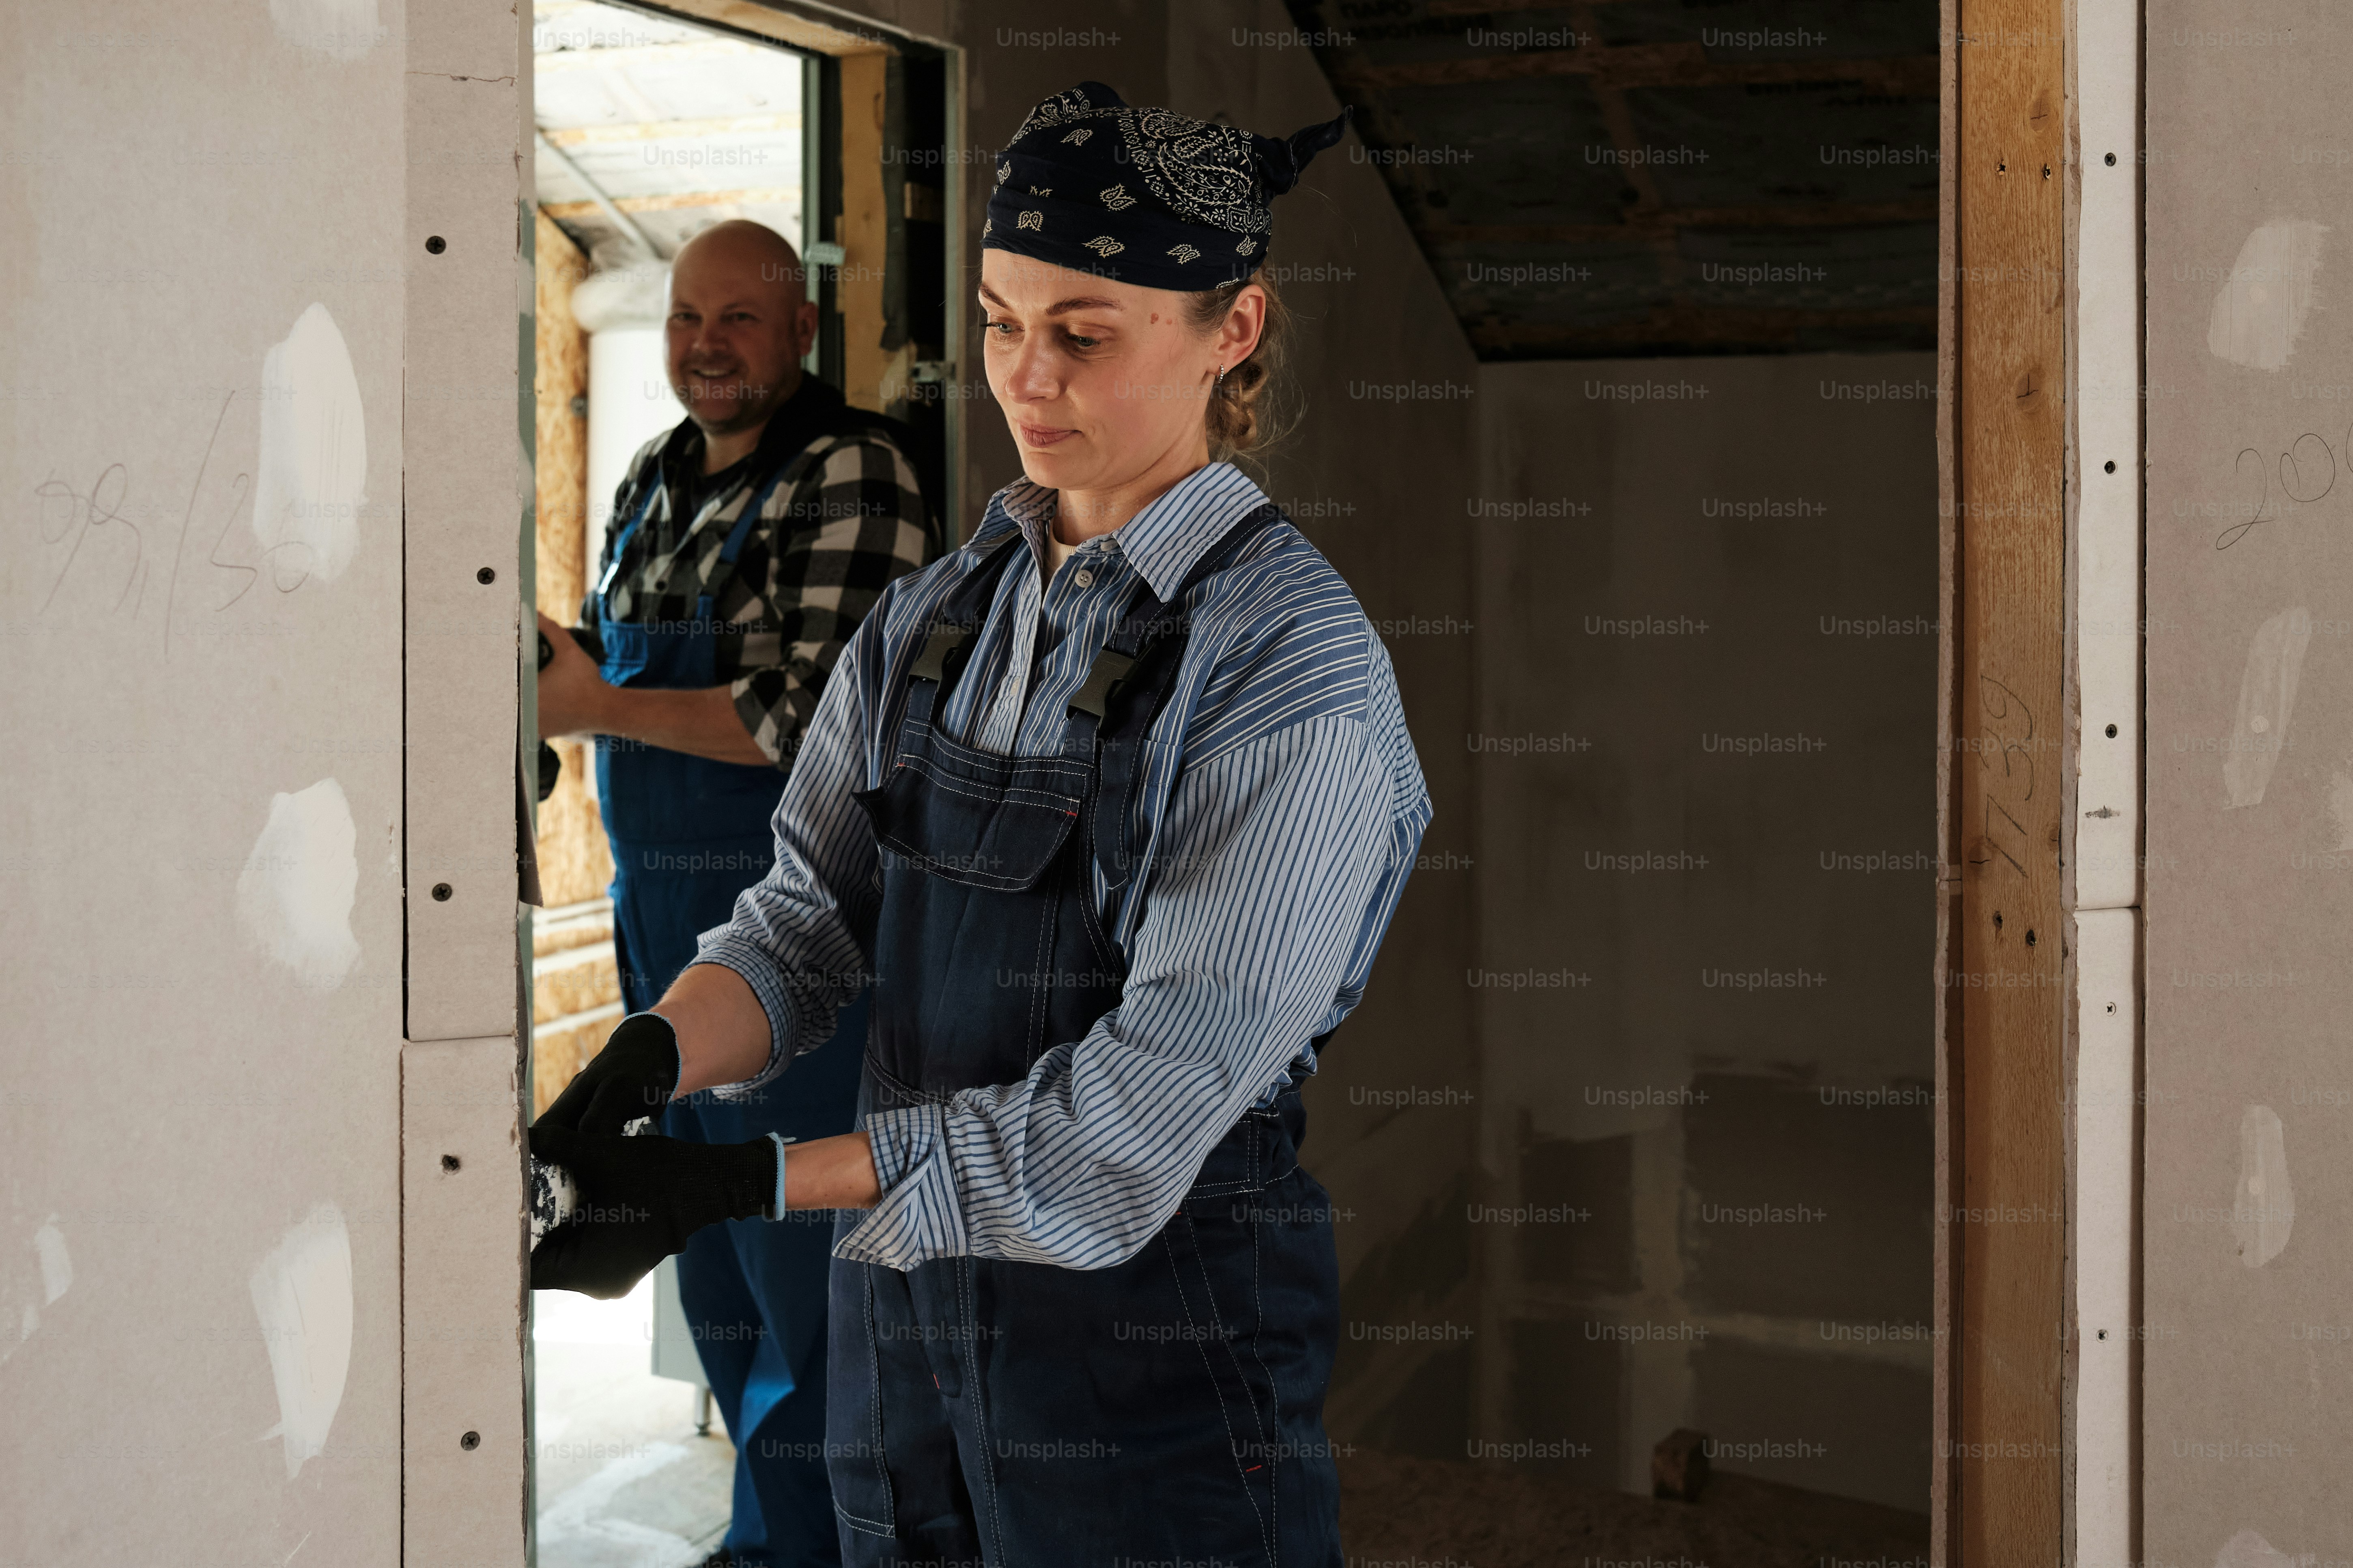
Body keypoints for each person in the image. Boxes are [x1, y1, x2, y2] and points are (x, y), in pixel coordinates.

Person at [531, 82, 1428, 1564]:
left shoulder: (1289, 671)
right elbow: (806, 927)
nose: (1028, 377)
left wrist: (749, 1180)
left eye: (1085, 334)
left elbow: (1130, 1128)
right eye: (1003, 321)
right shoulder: (937, 618)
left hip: (1152, 1379)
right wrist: (651, 1053)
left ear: (1234, 331)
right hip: (910, 1353)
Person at [534, 217, 934, 1568]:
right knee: (700, 1251)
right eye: (689, 319)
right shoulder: (654, 472)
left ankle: (810, 1551)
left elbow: (804, 720)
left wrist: (596, 701)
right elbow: (622, 673)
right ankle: (765, 1537)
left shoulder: (856, 472)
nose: (707, 344)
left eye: (741, 321)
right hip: (661, 918)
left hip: (796, 940)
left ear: (800, 335)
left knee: (804, 1269)